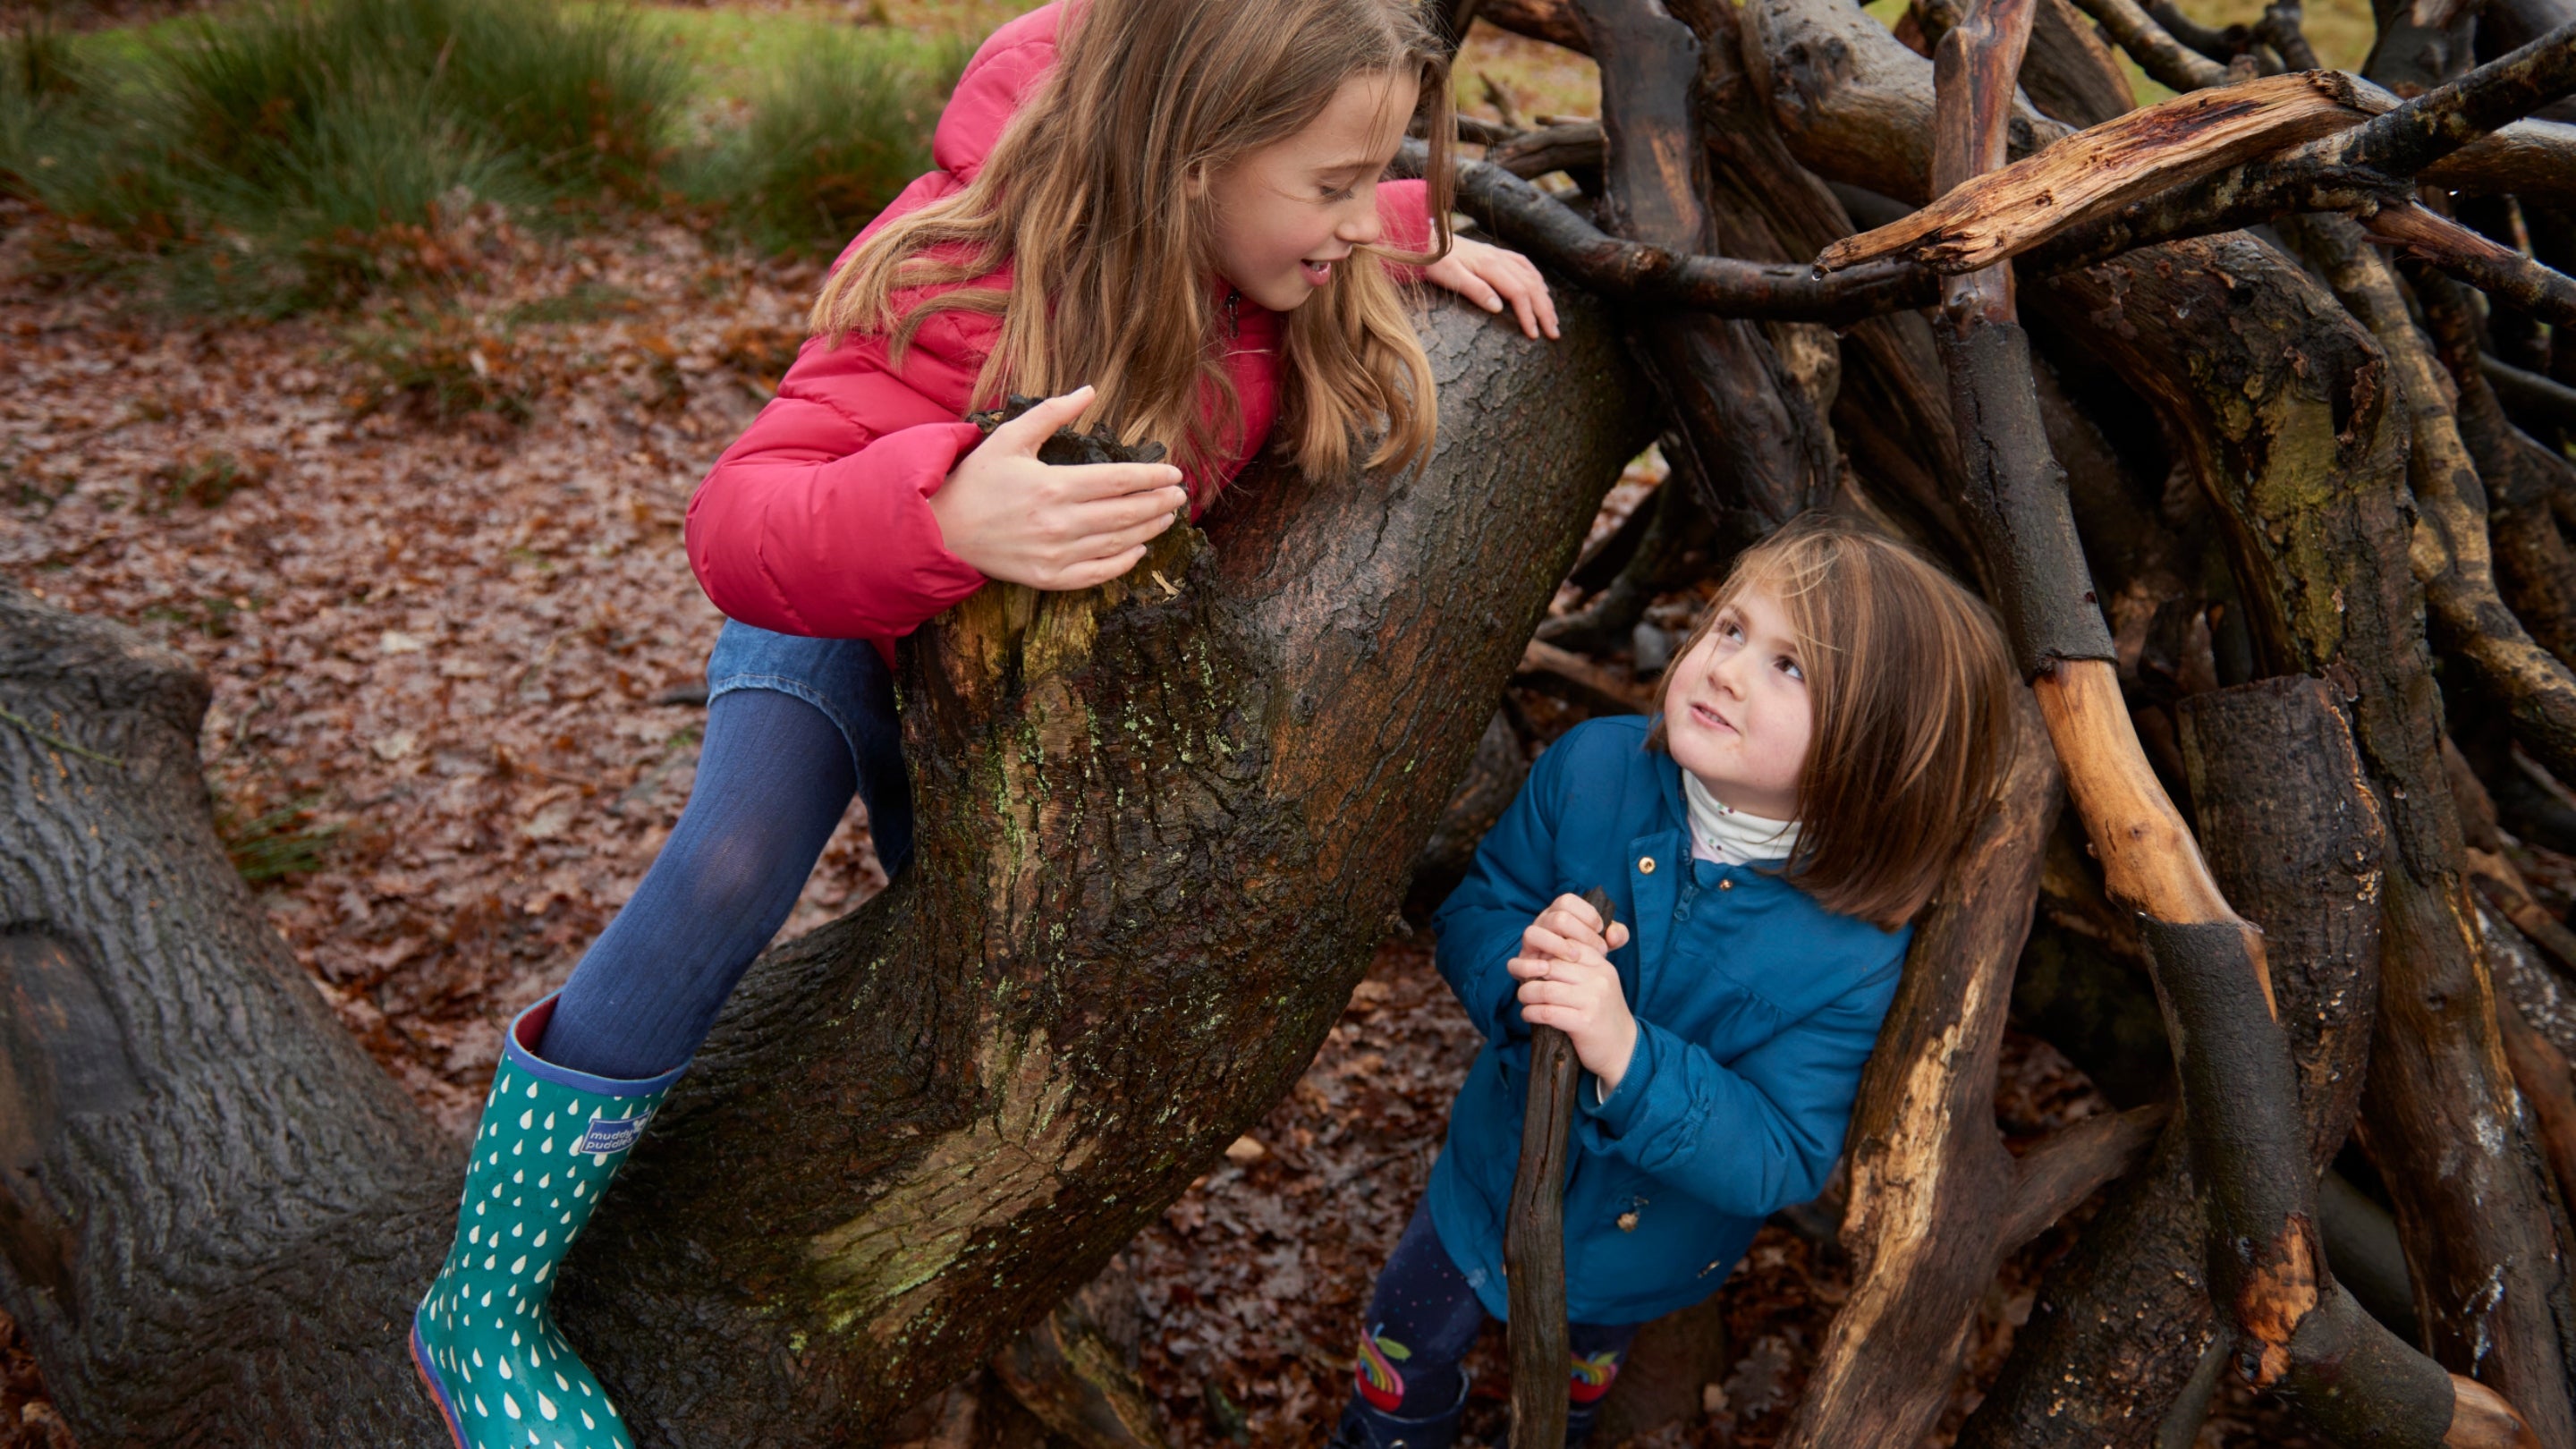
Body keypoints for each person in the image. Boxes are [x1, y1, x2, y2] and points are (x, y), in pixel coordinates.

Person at [408, 2, 1562, 1445]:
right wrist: (941, 504)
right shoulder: (972, 268)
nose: (1347, 215)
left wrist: (1402, 223)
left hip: (1008, 690)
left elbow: (1313, 193)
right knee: (733, 858)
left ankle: (946, 1243)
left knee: (984, 937)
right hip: (853, 600)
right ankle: (484, 1299)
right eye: (1330, 185)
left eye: (1363, 175)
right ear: (1193, 151)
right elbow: (738, 516)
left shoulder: (1242, 238)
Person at [1333, 517, 2016, 1448]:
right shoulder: (1595, 770)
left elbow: (1782, 1151)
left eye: (1791, 667)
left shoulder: (1853, 949)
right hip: (1483, 1189)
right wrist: (1522, 960)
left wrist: (1626, 1055)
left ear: (1880, 747)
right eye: (1731, 630)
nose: (1728, 668)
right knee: (1402, 1356)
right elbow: (1474, 910)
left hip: (1638, 1254)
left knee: (1563, 1403)